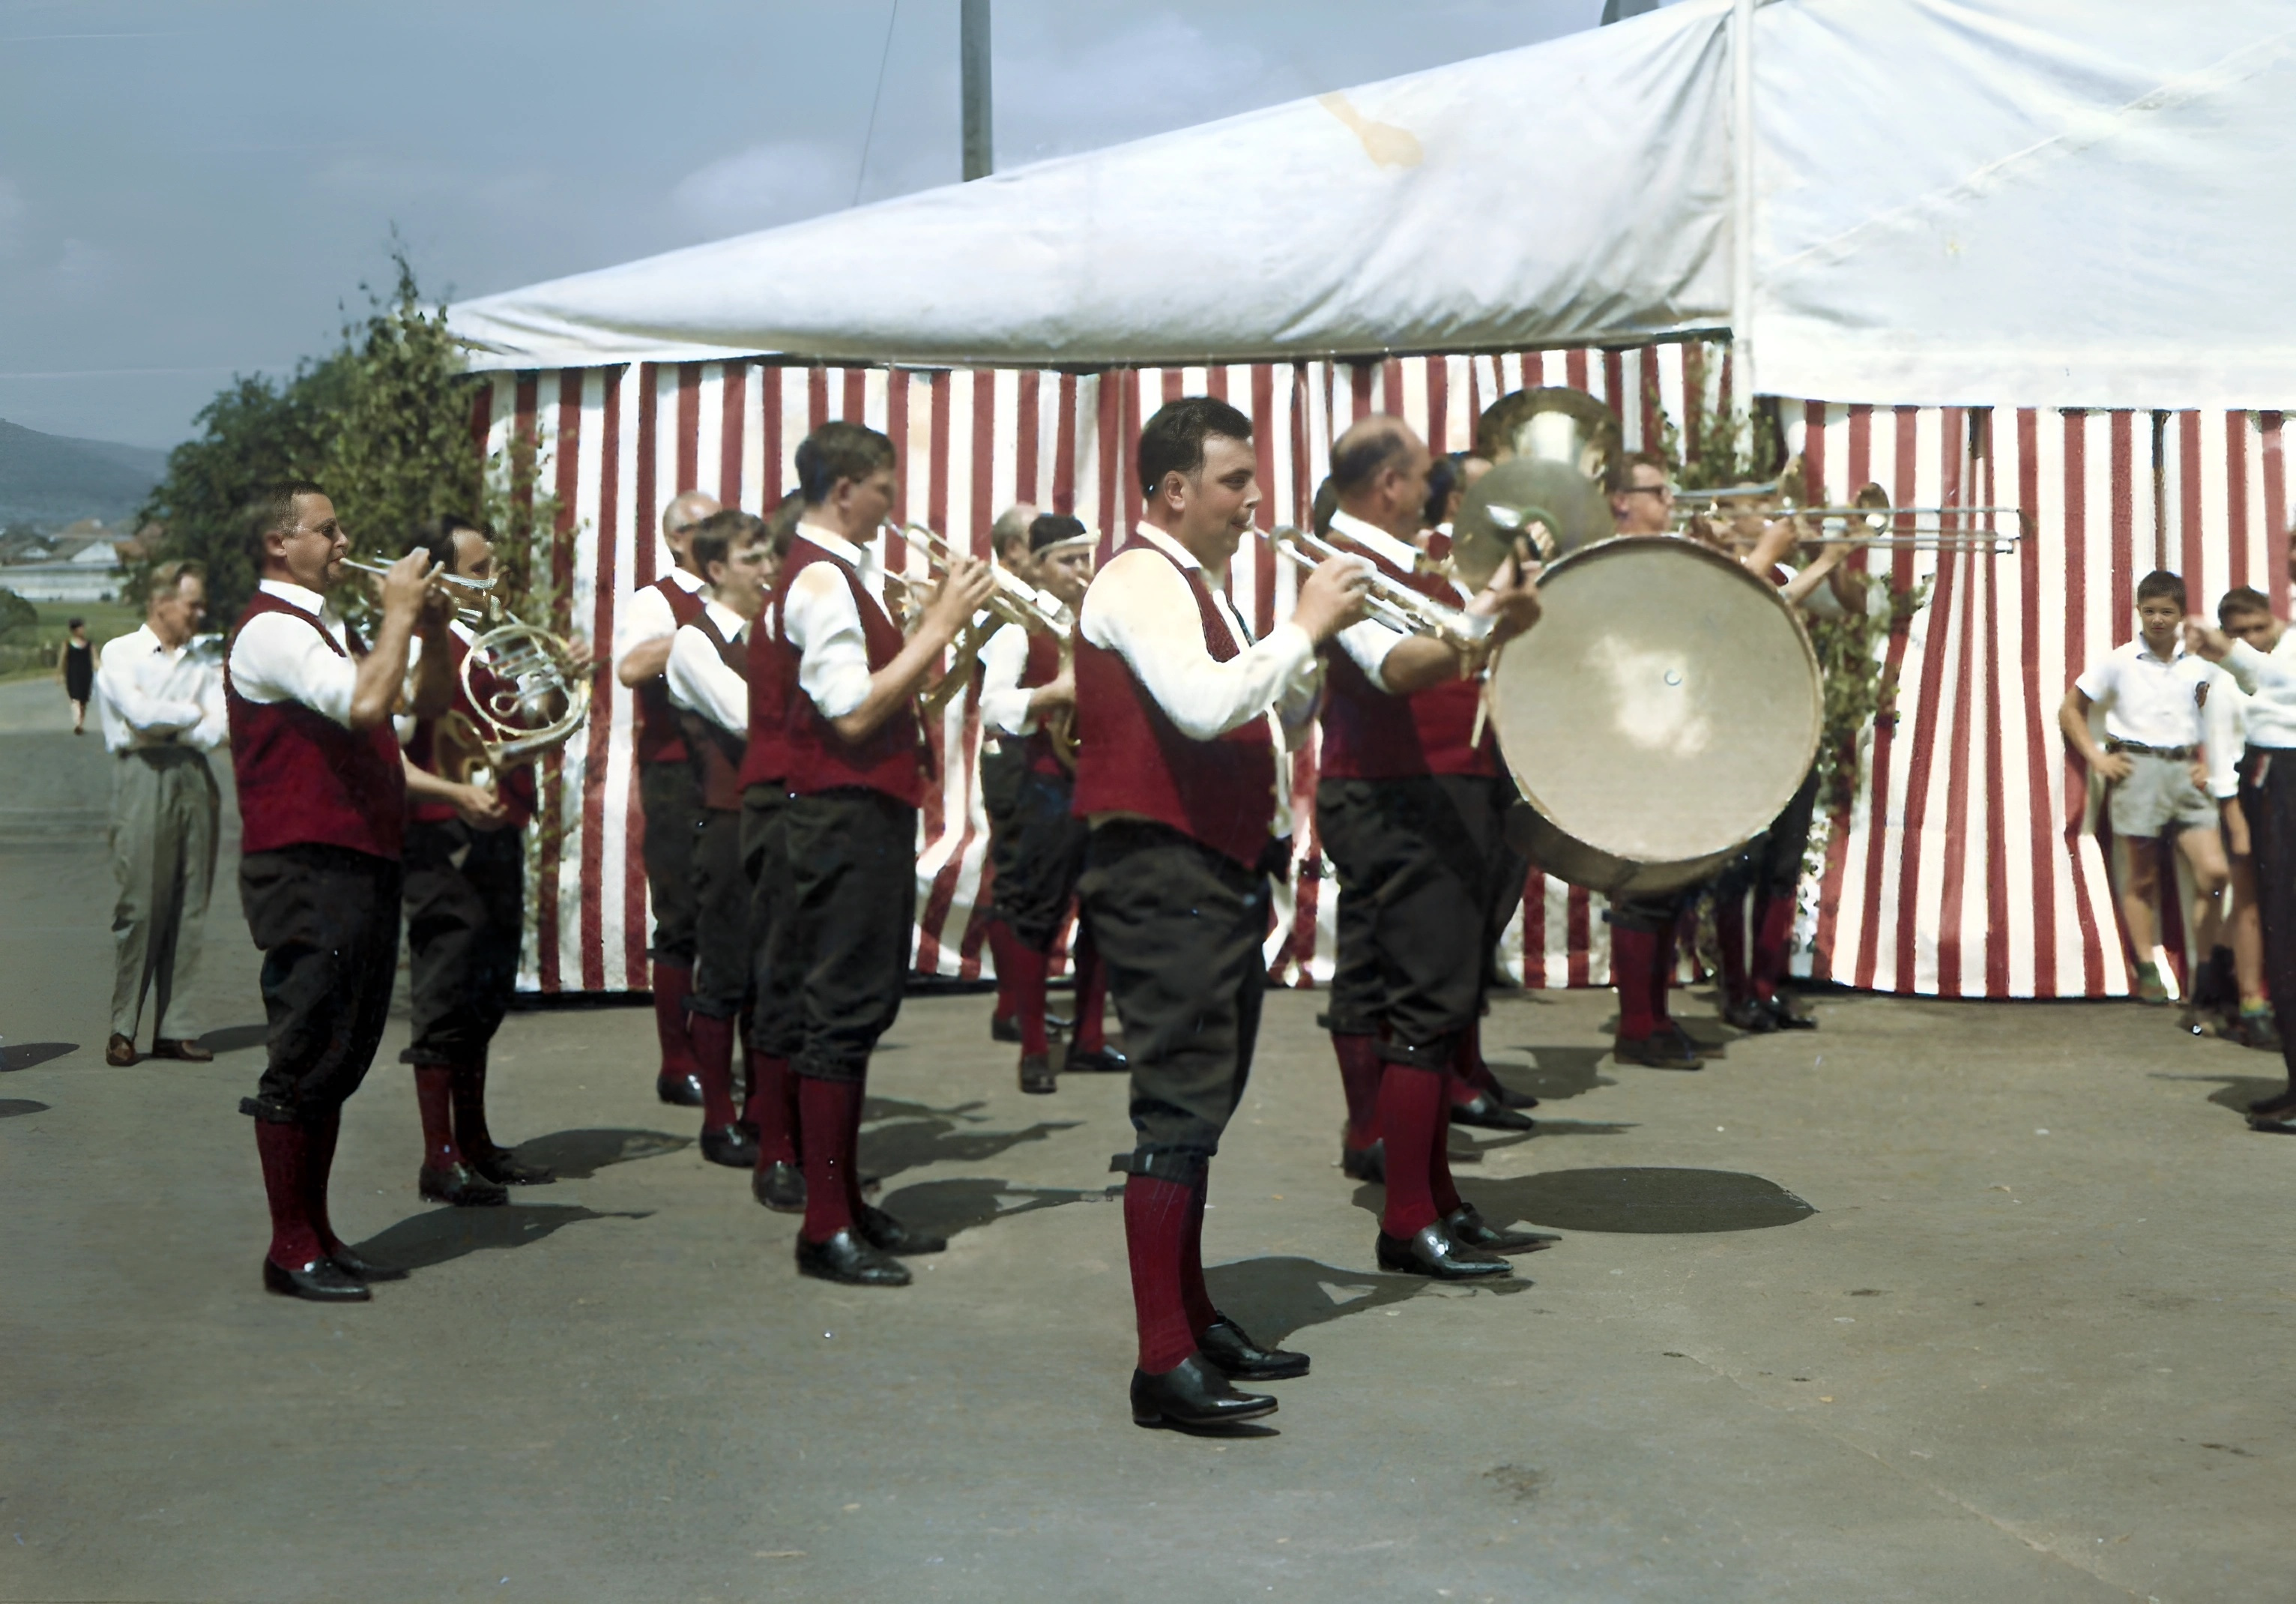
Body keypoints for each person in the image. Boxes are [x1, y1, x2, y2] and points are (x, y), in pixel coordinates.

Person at [1072, 395, 1368, 1430]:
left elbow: (1259, 708)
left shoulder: (1198, 586)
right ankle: (1164, 1364)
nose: (1255, 500)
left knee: (1203, 1105)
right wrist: (1304, 626)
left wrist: (1308, 658)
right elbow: (1202, 706)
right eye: (1236, 481)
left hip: (1209, 869)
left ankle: (1192, 1320)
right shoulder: (1140, 578)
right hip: (1163, 872)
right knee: (1179, 1112)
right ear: (1173, 491)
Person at [1308, 415, 1549, 1282]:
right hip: (1399, 797)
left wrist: (1491, 605)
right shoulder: (1344, 564)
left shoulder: (1405, 562)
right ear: (1388, 486)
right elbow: (1397, 668)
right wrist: (1484, 623)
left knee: (1437, 1003)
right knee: (1423, 1009)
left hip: (1432, 789)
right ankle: (1409, 1218)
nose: (1438, 490)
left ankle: (1435, 1197)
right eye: (1423, 477)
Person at [761, 420, 994, 1286]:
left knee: (856, 1013)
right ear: (847, 487)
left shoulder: (834, 576)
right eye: (885, 489)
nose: (894, 507)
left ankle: (844, 1203)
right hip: (840, 818)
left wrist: (934, 635)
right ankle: (826, 1224)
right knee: (839, 1013)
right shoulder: (821, 579)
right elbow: (852, 713)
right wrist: (936, 625)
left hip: (861, 815)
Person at [226, 482, 454, 1301]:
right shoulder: (271, 631)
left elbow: (408, 710)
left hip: (355, 857)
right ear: (278, 544)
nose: (342, 538)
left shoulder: (326, 628)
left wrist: (424, 629)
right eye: (326, 529)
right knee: (307, 1045)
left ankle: (316, 1231)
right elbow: (361, 702)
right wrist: (397, 611)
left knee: (343, 1048)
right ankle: (291, 1245)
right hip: (305, 865)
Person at [394, 516, 552, 1208]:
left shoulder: (498, 643)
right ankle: (441, 1155)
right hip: (441, 838)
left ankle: (475, 1141)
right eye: (481, 570)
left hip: (498, 827)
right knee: (445, 990)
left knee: (485, 990)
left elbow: (537, 721)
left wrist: (554, 678)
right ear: (442, 576)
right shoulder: (420, 647)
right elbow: (396, 741)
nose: (496, 582)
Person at [979, 513, 1123, 1094]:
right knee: (1038, 912)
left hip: (1103, 780)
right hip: (1047, 780)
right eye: (1067, 560)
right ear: (1037, 565)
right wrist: (1052, 694)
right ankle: (1035, 1047)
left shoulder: (1103, 624)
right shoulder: (1020, 629)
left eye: (1086, 558)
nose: (1081, 571)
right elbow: (992, 708)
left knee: (1106, 913)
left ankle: (1089, 1038)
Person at [665, 509, 776, 1169]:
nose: (768, 570)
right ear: (714, 571)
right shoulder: (693, 642)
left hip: (772, 818)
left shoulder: (768, 632)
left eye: (768, 556)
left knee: (770, 975)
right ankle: (718, 1119)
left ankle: (764, 1112)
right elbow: (745, 718)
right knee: (727, 973)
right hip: (728, 821)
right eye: (751, 559)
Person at [2061, 571, 2228, 1004]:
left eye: (2166, 612)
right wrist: (2098, 757)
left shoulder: (2199, 663)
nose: (2157, 620)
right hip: (2137, 770)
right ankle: (2147, 966)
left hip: (2186, 771)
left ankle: (2207, 969)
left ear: (2181, 614)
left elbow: (2223, 715)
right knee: (2142, 877)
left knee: (2214, 870)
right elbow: (2071, 709)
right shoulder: (2118, 661)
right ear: (2138, 609)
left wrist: (2211, 762)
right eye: (2149, 610)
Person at [1598, 452, 1707, 1067]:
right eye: (1658, 492)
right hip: (1630, 733)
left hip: (1668, 728)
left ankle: (1654, 1016)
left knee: (1669, 883)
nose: (1672, 502)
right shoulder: (1616, 560)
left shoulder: (1661, 557)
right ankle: (1638, 1025)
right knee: (1641, 883)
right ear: (1622, 501)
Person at [94, 561, 226, 1067]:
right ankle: (123, 1026)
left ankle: (176, 1027)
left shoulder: (203, 659)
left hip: (194, 775)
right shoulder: (120, 653)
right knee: (143, 903)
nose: (200, 612)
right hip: (142, 775)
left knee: (191, 904)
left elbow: (219, 727)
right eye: (192, 604)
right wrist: (188, 715)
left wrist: (176, 721)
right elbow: (140, 716)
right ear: (161, 604)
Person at [612, 490, 722, 1105]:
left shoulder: (738, 596)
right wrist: (703, 627)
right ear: (677, 538)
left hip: (729, 768)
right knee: (679, 916)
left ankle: (712, 1054)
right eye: (708, 527)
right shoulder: (655, 600)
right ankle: (677, 1063)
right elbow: (630, 667)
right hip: (677, 775)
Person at [2184, 595, 2296, 1129]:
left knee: (2284, 929)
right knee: (2276, 928)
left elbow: (2282, 685)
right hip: (2264, 781)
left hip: (2281, 779)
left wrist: (2228, 652)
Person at [740, 496, 809, 1213]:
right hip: (784, 801)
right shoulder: (792, 608)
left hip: (800, 800)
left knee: (806, 984)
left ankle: (801, 1147)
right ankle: (776, 1151)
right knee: (783, 979)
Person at [2201, 587, 2281, 1049]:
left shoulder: (2280, 671)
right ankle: (2251, 1003)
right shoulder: (2223, 684)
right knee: (2249, 903)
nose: (2252, 638)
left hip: (2283, 792)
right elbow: (2219, 759)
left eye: (2259, 628)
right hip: (2245, 801)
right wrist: (2236, 824)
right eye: (2240, 632)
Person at [59, 617, 94, 735]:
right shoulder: (67, 644)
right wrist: (59, 674)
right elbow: (62, 659)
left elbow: (95, 659)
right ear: (74, 630)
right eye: (81, 627)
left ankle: (81, 722)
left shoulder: (89, 644)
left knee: (84, 701)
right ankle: (77, 724)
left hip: (86, 674)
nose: (83, 630)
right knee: (75, 699)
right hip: (72, 674)